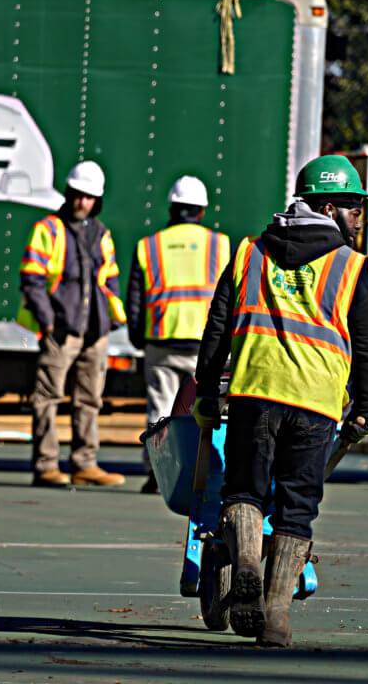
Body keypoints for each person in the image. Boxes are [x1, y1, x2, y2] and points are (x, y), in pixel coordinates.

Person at [193, 154, 368, 646]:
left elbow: (217, 330)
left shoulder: (250, 252)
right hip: (317, 404)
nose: (358, 219)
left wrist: (207, 393)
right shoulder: (351, 267)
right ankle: (276, 617)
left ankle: (248, 562)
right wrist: (365, 407)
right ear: (325, 206)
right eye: (352, 208)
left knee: (243, 491)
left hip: (254, 393)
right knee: (297, 507)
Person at [17, 160, 127, 488]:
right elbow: (31, 278)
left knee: (90, 398)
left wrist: (108, 320)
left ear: (97, 200)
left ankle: (84, 463)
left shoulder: (101, 233)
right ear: (69, 194)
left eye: (89, 197)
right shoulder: (48, 229)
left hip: (95, 332)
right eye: (78, 195)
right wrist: (49, 322)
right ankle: (46, 465)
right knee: (47, 398)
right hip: (61, 331)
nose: (83, 202)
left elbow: (111, 279)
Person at [127, 176, 230, 495]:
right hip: (206, 345)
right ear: (200, 211)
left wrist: (137, 336)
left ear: (172, 208)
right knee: (209, 408)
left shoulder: (150, 245)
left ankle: (158, 473)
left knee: (160, 410)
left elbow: (135, 299)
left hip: (162, 339)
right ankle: (211, 472)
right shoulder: (221, 244)